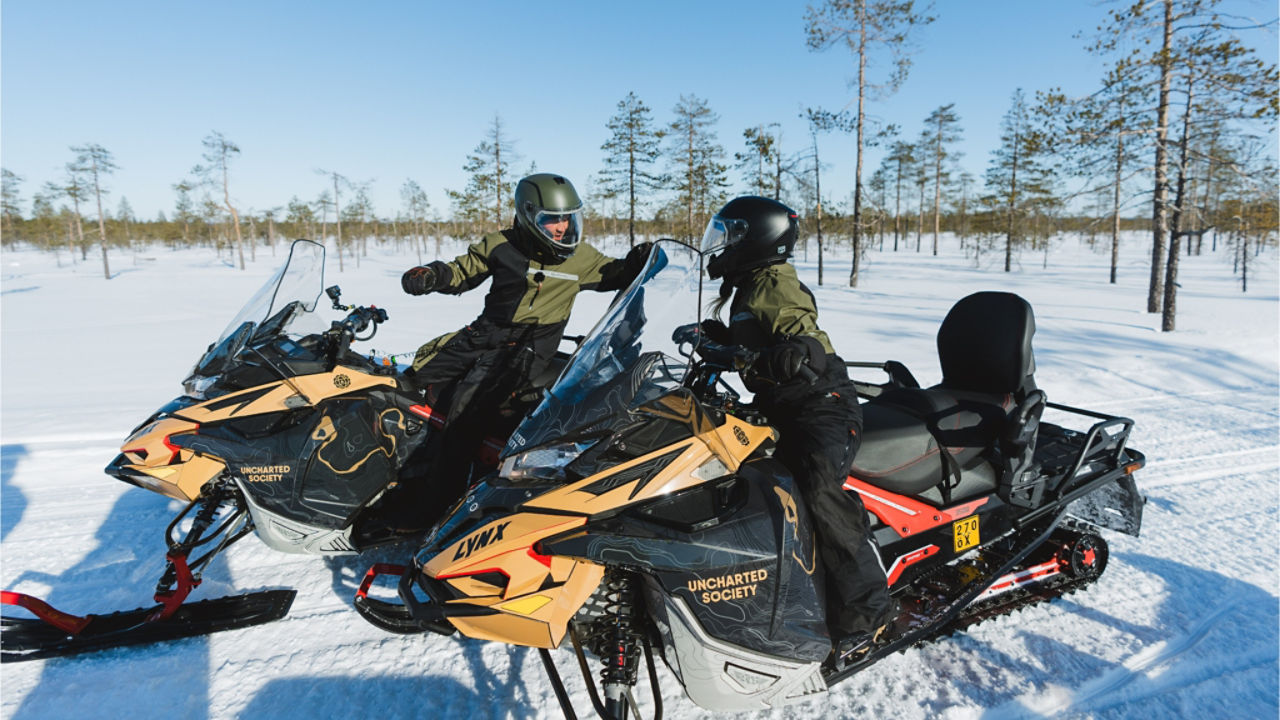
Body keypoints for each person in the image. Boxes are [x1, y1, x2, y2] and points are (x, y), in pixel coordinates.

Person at [694, 195, 893, 660]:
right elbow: (758, 339)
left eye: (731, 235)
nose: (721, 245)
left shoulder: (775, 284)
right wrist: (715, 340)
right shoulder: (749, 286)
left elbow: (801, 330)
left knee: (818, 491)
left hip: (821, 404)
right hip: (782, 404)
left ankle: (869, 613)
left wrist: (803, 350)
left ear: (758, 239)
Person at [391, 173, 650, 528]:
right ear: (528, 217)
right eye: (551, 219)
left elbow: (614, 274)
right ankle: (396, 466)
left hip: (527, 349)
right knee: (411, 379)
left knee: (464, 416)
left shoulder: (580, 258)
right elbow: (463, 271)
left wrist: (637, 261)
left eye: (568, 218)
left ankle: (436, 509)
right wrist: (433, 275)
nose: (561, 228)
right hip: (483, 334)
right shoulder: (501, 245)